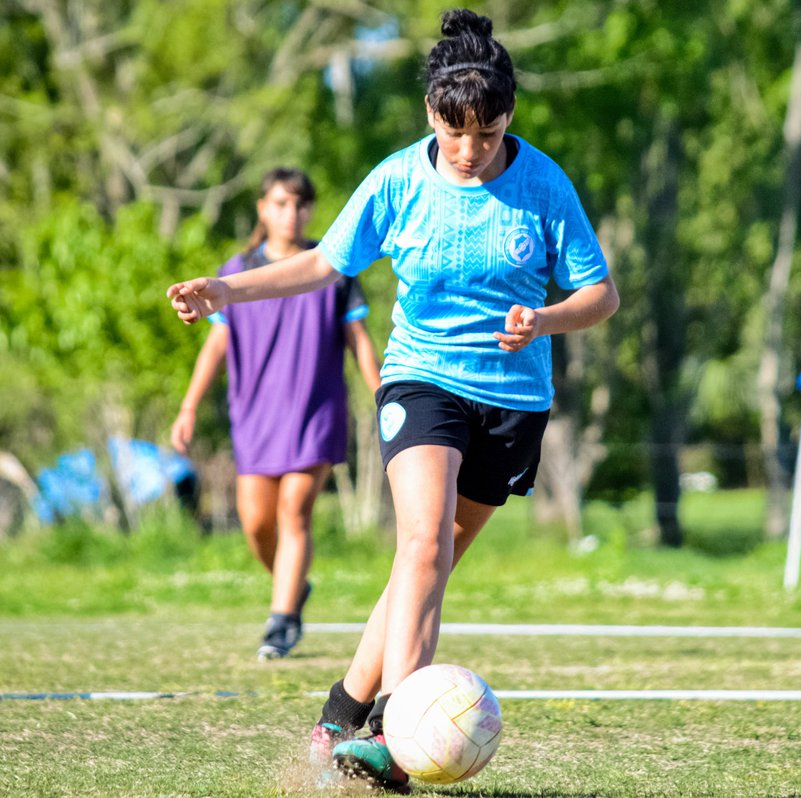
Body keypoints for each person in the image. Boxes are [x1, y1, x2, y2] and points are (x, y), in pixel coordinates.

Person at [168, 9, 619, 790]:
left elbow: (602, 294)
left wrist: (545, 318)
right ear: (430, 117)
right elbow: (322, 264)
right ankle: (391, 739)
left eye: (485, 133)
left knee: (429, 566)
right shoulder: (398, 178)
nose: (469, 150)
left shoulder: (544, 183)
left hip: (513, 401)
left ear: (509, 115)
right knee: (421, 549)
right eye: (453, 134)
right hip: (422, 380)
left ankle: (341, 710)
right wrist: (224, 291)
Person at [170, 167, 381, 662]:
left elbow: (361, 344)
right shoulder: (238, 269)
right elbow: (215, 346)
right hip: (256, 416)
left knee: (295, 511)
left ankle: (282, 620)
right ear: (264, 208)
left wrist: (385, 397)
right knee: (257, 522)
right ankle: (293, 588)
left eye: (301, 204)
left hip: (316, 412)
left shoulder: (333, 269)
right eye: (282, 203)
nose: (292, 213)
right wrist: (189, 406)